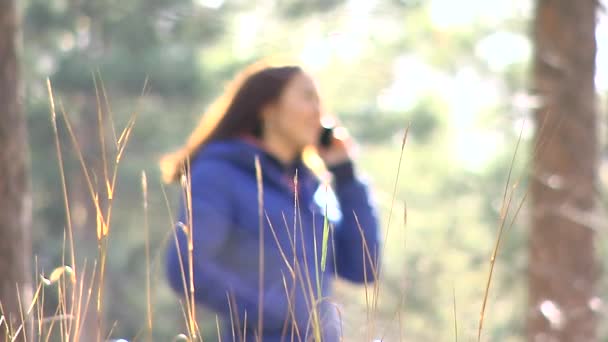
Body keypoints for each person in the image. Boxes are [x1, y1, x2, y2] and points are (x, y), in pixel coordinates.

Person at [162, 61, 380, 342]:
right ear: (268, 107)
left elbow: (363, 268)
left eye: (320, 102)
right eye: (308, 97)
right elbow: (185, 268)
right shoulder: (219, 174)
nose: (320, 113)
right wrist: (275, 314)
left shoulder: (309, 190)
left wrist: (346, 175)